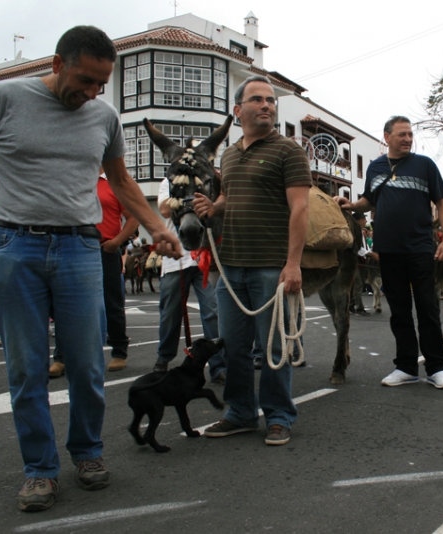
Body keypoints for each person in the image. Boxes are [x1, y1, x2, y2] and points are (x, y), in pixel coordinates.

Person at [0, 26, 182, 512]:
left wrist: (157, 227)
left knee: (87, 364)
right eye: (85, 80)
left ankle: (87, 451)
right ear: (57, 64)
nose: (91, 93)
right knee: (26, 369)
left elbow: (122, 182)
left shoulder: (104, 117)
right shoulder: (1, 99)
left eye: (100, 84)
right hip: (16, 247)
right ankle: (40, 470)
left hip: (80, 247)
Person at [193, 75, 310, 446]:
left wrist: (293, 264)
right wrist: (214, 207)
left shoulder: (288, 151)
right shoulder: (228, 155)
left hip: (271, 266)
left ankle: (278, 416)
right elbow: (229, 196)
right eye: (257, 99)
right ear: (237, 110)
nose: (266, 105)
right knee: (234, 347)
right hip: (230, 267)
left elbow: (300, 208)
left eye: (271, 100)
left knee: (274, 346)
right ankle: (240, 413)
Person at [333, 115, 443, 389]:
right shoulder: (375, 167)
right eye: (402, 134)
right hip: (388, 250)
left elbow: (442, 203)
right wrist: (350, 204)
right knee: (399, 312)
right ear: (387, 137)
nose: (408, 139)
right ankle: (406, 367)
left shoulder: (425, 165)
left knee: (428, 309)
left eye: (410, 134)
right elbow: (368, 201)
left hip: (421, 248)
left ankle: (437, 368)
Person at [49, 170, 140, 377]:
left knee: (112, 302)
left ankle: (119, 350)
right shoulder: (73, 179)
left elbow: (133, 217)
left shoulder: (114, 182)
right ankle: (61, 356)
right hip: (74, 249)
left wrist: (117, 242)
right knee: (66, 304)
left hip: (104, 249)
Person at [153, 177, 227, 384]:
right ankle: (164, 356)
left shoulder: (207, 180)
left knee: (212, 312)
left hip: (205, 256)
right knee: (170, 313)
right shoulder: (169, 182)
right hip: (176, 258)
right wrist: (188, 198)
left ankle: (218, 366)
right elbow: (164, 210)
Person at [350, 211, 374, 316]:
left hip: (362, 261)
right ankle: (359, 308)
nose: (365, 221)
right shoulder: (353, 231)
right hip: (354, 261)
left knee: (360, 284)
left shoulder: (360, 231)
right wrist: (371, 254)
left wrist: (370, 254)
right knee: (358, 284)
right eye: (363, 219)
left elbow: (364, 247)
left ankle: (351, 305)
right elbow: (356, 248)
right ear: (357, 220)